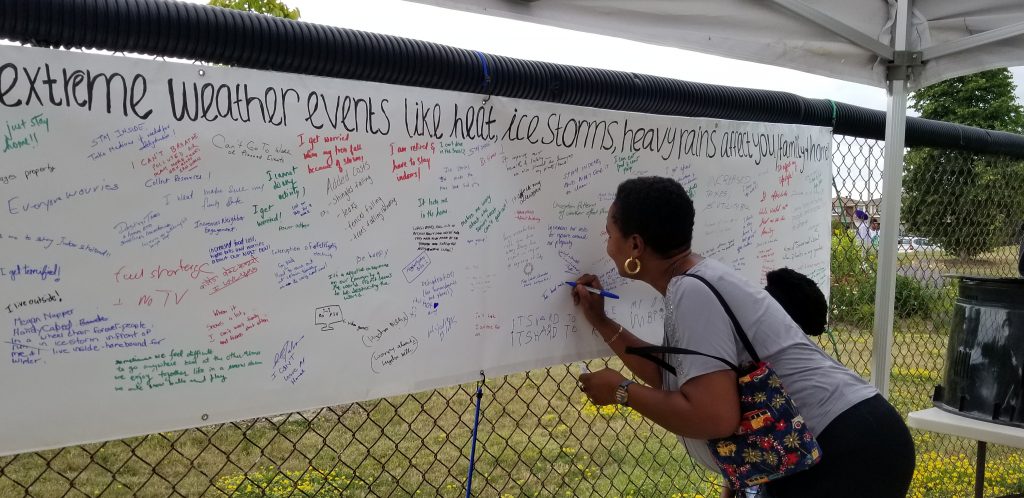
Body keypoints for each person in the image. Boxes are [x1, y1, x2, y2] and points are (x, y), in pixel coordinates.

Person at [573, 177, 915, 498]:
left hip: (844, 451)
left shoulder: (692, 291)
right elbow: (675, 376)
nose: (608, 247)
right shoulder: (696, 280)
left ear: (635, 244)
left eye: (609, 235)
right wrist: (602, 322)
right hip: (844, 443)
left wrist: (622, 392)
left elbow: (714, 416)